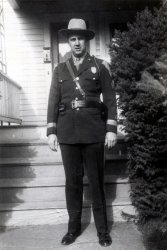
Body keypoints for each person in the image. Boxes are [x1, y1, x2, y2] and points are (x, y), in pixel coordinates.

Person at [47, 18, 117, 247]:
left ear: (86, 40)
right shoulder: (59, 70)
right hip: (67, 132)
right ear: (69, 41)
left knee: (96, 183)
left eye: (80, 38)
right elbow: (53, 101)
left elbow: (110, 99)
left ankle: (103, 231)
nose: (77, 42)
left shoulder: (99, 66)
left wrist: (110, 129)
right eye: (73, 38)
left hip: (93, 131)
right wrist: (51, 131)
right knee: (73, 183)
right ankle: (72, 229)